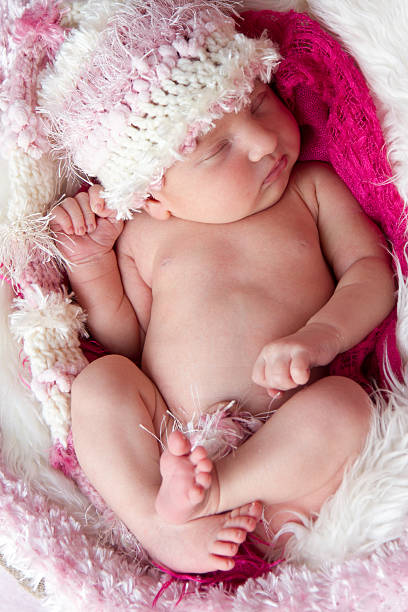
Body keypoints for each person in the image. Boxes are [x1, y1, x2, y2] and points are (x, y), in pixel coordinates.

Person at [45, 0, 395, 575]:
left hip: (286, 446)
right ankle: (157, 522)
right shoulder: (144, 234)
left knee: (346, 409)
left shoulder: (310, 189)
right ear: (154, 194)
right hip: (172, 441)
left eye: (258, 102)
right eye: (216, 150)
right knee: (99, 383)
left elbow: (371, 270)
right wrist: (91, 266)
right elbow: (122, 341)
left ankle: (214, 495)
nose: (262, 141)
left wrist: (321, 336)